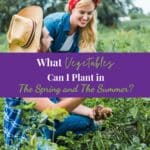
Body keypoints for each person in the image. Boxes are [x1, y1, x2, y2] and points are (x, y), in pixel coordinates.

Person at [5, 4, 112, 149]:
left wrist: (90, 112)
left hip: (45, 124)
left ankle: (52, 137)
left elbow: (62, 97)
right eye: (46, 35)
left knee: (89, 123)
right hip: (26, 136)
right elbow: (53, 111)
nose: (50, 37)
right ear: (38, 46)